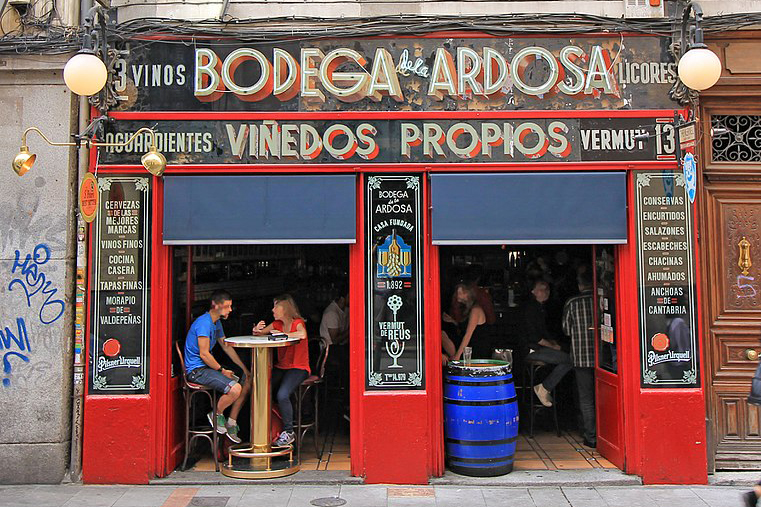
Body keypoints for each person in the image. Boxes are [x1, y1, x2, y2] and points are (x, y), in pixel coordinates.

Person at [184, 289, 250, 444]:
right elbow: (204, 354)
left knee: (246, 382)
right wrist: (221, 370)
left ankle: (231, 422)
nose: (231, 310)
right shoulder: (204, 323)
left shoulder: (216, 322)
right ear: (215, 306)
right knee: (235, 388)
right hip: (197, 371)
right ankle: (216, 414)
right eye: (227, 306)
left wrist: (244, 369)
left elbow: (226, 346)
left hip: (207, 368)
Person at [252, 294, 310, 447]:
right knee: (261, 389)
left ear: (285, 309)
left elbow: (302, 334)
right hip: (282, 366)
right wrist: (256, 329)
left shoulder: (297, 322)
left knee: (282, 394)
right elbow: (260, 333)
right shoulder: (277, 324)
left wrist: (284, 335)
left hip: (298, 367)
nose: (273, 310)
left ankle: (288, 431)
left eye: (276, 306)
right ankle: (266, 426)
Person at [523, 280, 572, 408]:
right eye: (542, 289)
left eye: (547, 289)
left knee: (566, 353)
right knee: (570, 360)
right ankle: (545, 387)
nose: (546, 292)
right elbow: (535, 338)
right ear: (533, 291)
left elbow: (543, 334)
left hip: (537, 347)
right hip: (530, 350)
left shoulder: (539, 308)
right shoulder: (531, 309)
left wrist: (554, 343)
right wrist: (553, 346)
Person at [562, 269, 596, 448]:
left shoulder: (573, 303)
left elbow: (566, 330)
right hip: (602, 358)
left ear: (580, 284)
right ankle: (606, 434)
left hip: (581, 357)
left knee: (585, 398)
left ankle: (590, 436)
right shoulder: (601, 299)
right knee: (602, 396)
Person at [442, 284, 492, 361]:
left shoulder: (476, 310)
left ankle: (454, 357)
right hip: (468, 346)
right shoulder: (467, 309)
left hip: (475, 349)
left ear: (467, 293)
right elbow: (465, 328)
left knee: (441, 334)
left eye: (460, 292)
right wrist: (453, 321)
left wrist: (457, 356)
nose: (457, 294)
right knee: (442, 334)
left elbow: (468, 335)